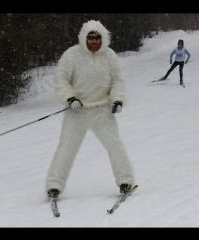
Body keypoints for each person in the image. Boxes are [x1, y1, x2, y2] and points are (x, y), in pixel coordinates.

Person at [46, 20, 135, 200]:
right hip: (78, 110)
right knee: (67, 147)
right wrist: (70, 98)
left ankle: (125, 181)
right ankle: (54, 185)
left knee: (115, 144)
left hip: (102, 110)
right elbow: (61, 79)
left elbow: (117, 80)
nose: (94, 41)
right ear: (84, 38)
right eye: (90, 37)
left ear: (103, 38)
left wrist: (118, 99)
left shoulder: (109, 56)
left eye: (97, 38)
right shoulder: (72, 55)